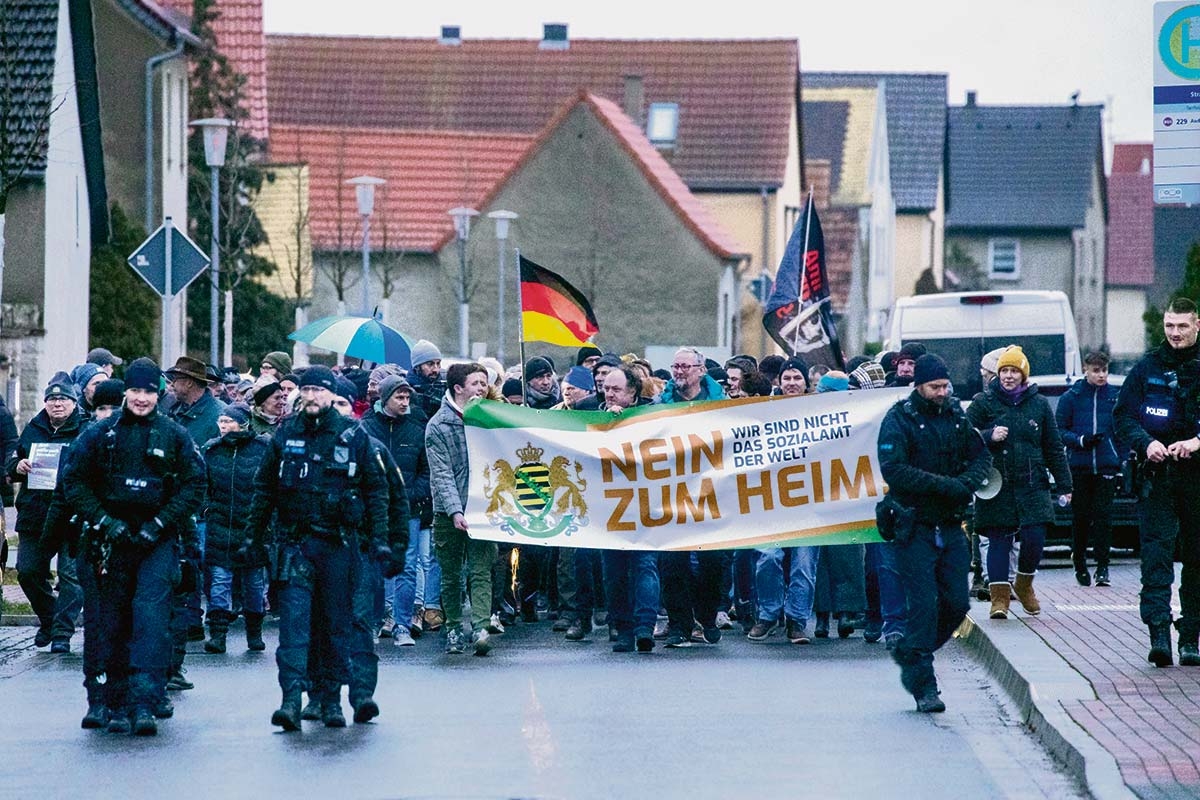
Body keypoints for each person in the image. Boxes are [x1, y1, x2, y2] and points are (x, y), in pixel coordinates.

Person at [242, 365, 390, 730]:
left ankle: (331, 699)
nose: (311, 397)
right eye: (305, 391)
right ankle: (291, 698)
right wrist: (252, 538)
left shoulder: (353, 436)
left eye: (319, 392)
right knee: (294, 628)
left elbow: (377, 493)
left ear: (330, 395)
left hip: (339, 546)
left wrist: (385, 542)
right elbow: (264, 491)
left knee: (336, 625)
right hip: (295, 545)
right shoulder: (284, 435)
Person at [65, 359, 206, 735]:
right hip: (110, 540)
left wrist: (161, 523)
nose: (142, 398)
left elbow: (194, 485)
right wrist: (105, 522)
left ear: (157, 394)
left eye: (149, 392)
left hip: (155, 539)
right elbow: (74, 482)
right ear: (126, 391)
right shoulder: (100, 433)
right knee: (110, 620)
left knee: (150, 618)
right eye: (136, 391)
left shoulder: (174, 434)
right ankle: (112, 700)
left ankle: (145, 700)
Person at [877, 353, 991, 712]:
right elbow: (894, 469)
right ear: (919, 386)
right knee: (924, 605)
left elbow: (980, 457)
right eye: (935, 387)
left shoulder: (956, 417)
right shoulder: (899, 419)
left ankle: (911, 651)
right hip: (914, 526)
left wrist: (967, 483)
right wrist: (945, 486)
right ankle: (925, 685)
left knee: (956, 603)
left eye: (945, 386)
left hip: (950, 525)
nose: (942, 392)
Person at [1114, 297, 1200, 667]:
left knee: (1196, 559)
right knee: (1156, 557)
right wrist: (1146, 443)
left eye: (1182, 326)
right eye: (1169, 326)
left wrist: (1197, 442)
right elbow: (1123, 418)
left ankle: (1190, 637)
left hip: (1196, 476)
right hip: (1157, 478)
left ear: (1197, 325)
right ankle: (1159, 633)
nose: (1175, 333)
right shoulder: (1147, 368)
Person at [967, 346, 1071, 620]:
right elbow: (963, 437)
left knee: (1035, 536)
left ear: (1024, 375)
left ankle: (1024, 585)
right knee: (999, 539)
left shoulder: (1038, 404)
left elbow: (1053, 445)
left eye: (1014, 371)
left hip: (1032, 483)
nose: (1008, 376)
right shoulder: (984, 402)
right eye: (1004, 371)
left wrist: (1065, 484)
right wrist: (988, 435)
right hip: (996, 484)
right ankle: (999, 599)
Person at [656, 347, 728, 647]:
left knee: (714, 561)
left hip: (712, 494)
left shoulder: (721, 404)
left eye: (686, 366)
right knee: (672, 563)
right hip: (672, 494)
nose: (680, 371)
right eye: (675, 366)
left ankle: (707, 615)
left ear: (701, 370)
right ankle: (679, 624)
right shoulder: (660, 404)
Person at [361, 374, 439, 647]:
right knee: (375, 567)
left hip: (408, 510)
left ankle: (402, 625)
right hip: (374, 510)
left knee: (407, 567)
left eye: (408, 398)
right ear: (385, 399)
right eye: (399, 397)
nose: (405, 402)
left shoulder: (417, 429)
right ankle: (373, 622)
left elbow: (426, 472)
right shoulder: (366, 428)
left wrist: (408, 496)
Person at [10, 374, 86, 652]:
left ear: (74, 402)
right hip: (35, 514)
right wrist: (17, 466)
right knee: (28, 572)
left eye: (63, 399)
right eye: (52, 399)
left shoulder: (85, 429)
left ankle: (62, 634)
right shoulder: (34, 427)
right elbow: (13, 458)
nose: (57, 404)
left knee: (70, 576)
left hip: (71, 514)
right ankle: (49, 617)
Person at [426, 361, 496, 656]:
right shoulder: (437, 426)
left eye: (484, 383)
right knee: (451, 574)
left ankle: (481, 626)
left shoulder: (490, 418)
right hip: (448, 511)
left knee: (481, 570)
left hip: (483, 508)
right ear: (458, 388)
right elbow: (441, 475)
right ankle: (453, 627)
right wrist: (456, 511)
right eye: (476, 384)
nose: (482, 389)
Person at [748, 357, 819, 645]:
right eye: (787, 378)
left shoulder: (823, 411)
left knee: (803, 563)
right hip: (771, 502)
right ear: (779, 381)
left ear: (806, 383)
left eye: (797, 378)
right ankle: (768, 613)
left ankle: (797, 621)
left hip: (810, 503)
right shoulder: (764, 410)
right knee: (767, 557)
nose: (792, 383)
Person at [199, 404, 271, 655]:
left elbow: (270, 485)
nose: (223, 426)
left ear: (242, 423)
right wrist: (207, 508)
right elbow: (201, 483)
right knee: (219, 580)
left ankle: (254, 632)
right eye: (221, 421)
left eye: (228, 421)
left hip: (252, 526)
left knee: (252, 582)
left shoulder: (263, 450)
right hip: (220, 524)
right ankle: (218, 633)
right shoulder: (211, 450)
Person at [599, 365, 659, 652]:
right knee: (615, 570)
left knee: (645, 565)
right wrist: (606, 424)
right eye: (606, 388)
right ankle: (622, 628)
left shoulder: (653, 414)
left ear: (633, 391)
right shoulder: (591, 413)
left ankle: (645, 626)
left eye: (615, 389)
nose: (609, 394)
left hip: (646, 504)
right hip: (609, 507)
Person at [1056, 351, 1122, 587]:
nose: (1101, 375)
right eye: (1096, 370)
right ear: (1086, 369)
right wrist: (1081, 440)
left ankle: (1103, 567)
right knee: (1081, 517)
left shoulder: (1115, 396)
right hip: (1079, 466)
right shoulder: (1071, 397)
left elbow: (1124, 428)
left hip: (1106, 465)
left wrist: (1120, 458)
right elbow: (1059, 431)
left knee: (1104, 517)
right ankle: (1080, 562)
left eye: (1104, 370)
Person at [408, 340, 445, 419]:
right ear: (417, 367)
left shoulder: (446, 385)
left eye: (438, 363)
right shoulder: (406, 390)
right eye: (430, 364)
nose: (436, 369)